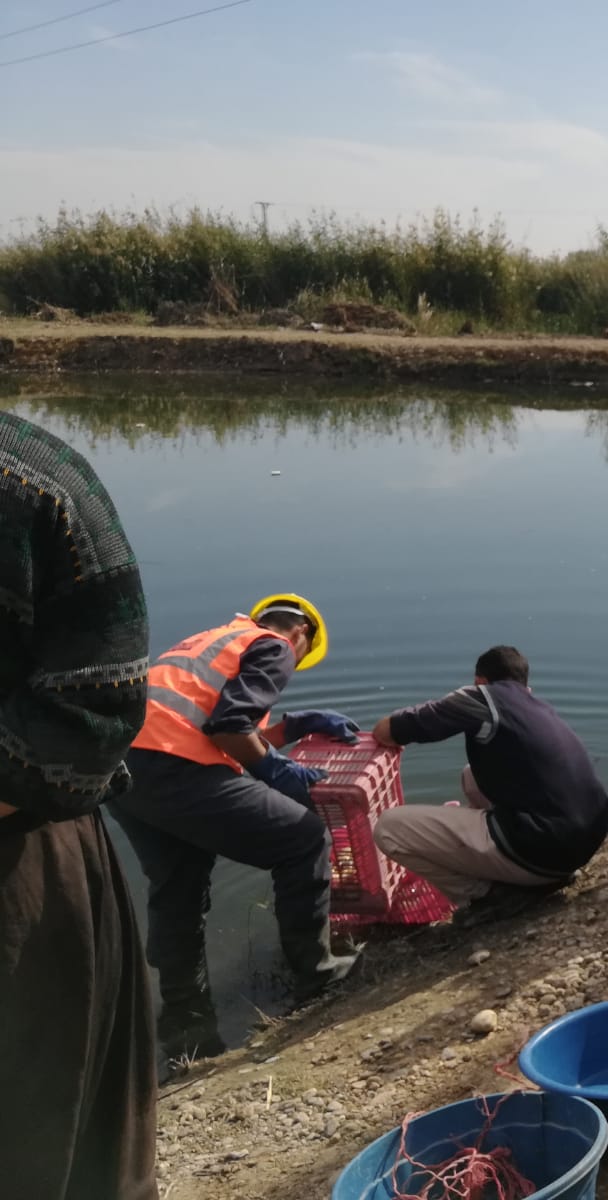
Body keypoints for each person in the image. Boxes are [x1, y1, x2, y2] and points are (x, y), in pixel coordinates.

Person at [0, 411, 158, 1199]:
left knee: (38, 1147)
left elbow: (92, 708)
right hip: (169, 784)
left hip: (26, 841)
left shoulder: (28, 482)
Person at [108, 594, 361, 1075]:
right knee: (303, 838)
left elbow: (213, 723)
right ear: (301, 634)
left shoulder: (211, 641)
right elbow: (228, 728)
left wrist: (294, 726)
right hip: (176, 769)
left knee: (178, 885)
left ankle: (185, 1015)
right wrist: (277, 772)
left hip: (124, 771)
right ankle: (318, 973)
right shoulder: (275, 646)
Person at [371, 645, 608, 926]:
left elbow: (386, 732)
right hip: (581, 845)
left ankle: (486, 895)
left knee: (388, 828)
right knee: (471, 776)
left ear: (480, 680)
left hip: (543, 851)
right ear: (524, 684)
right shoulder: (539, 708)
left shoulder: (480, 697)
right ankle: (529, 873)